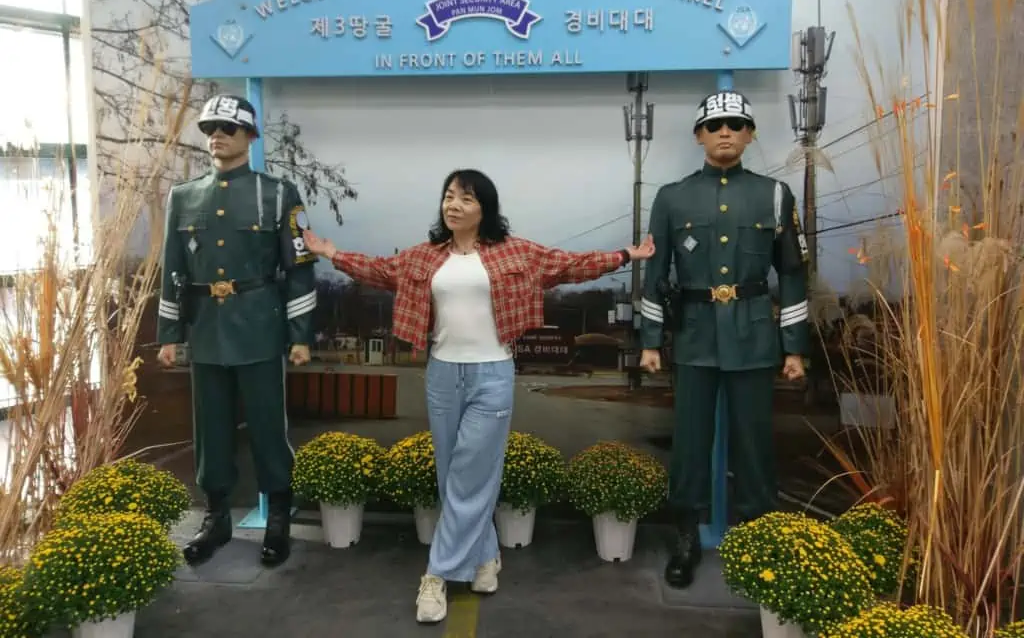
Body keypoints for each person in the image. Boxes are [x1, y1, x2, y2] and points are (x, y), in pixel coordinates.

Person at [301, 168, 654, 625]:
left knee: (469, 470)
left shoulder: (517, 253)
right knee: (454, 474)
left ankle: (437, 574)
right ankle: (486, 556)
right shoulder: (424, 257)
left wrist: (626, 254)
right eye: (449, 196)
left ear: (484, 207)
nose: (454, 205)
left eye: (465, 198)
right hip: (443, 374)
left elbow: (571, 264)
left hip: (492, 374)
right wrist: (333, 254)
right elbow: (381, 271)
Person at [638, 90, 809, 589]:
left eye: (737, 123)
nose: (726, 132)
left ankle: (759, 539)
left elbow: (793, 274)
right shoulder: (672, 197)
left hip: (755, 335)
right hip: (694, 335)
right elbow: (655, 273)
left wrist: (794, 347)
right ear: (699, 136)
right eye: (715, 126)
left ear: (751, 133)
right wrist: (651, 341)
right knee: (690, 443)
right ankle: (687, 537)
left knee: (754, 441)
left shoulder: (775, 195)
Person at [155, 93, 317, 569]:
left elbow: (300, 267)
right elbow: (173, 269)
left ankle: (278, 520)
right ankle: (217, 518)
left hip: (260, 327)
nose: (217, 136)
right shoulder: (183, 197)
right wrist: (170, 333)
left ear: (250, 135)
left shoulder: (279, 193)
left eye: (228, 127)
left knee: (268, 426)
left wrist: (301, 333)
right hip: (207, 329)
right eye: (210, 129)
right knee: (211, 430)